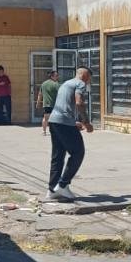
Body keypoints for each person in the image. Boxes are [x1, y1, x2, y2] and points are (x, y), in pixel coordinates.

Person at [47, 66, 93, 201]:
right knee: (78, 152)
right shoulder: (80, 83)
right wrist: (86, 122)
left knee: (58, 155)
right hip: (64, 123)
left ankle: (52, 190)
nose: (89, 81)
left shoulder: (66, 83)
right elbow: (79, 103)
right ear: (85, 75)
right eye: (90, 78)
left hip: (54, 121)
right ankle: (63, 185)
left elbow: (64, 106)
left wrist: (74, 123)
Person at [35, 70, 60, 136]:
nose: (58, 77)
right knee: (56, 119)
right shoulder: (56, 84)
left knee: (45, 118)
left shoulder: (44, 84)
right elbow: (60, 94)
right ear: (52, 76)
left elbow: (40, 94)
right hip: (55, 104)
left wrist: (38, 103)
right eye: (56, 76)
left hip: (46, 104)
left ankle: (44, 131)